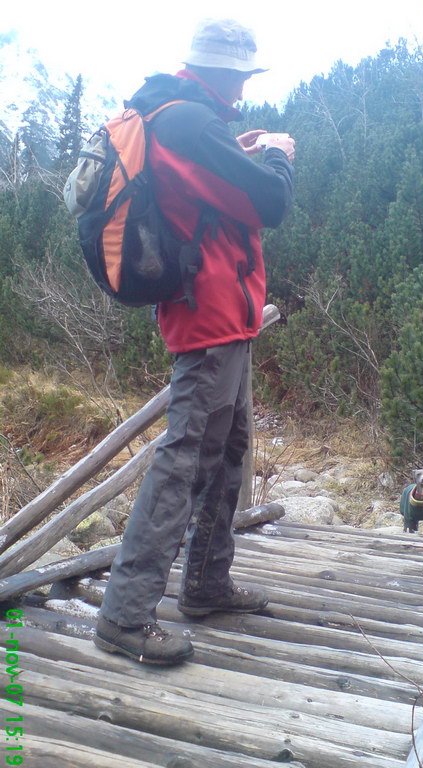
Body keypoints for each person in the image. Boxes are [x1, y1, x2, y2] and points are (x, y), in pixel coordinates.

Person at [94, 18, 295, 665]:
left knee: (229, 452)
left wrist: (234, 148)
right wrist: (278, 157)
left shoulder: (178, 117)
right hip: (206, 320)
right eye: (239, 77)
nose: (241, 89)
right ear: (222, 74)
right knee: (184, 460)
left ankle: (206, 583)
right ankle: (125, 616)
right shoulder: (188, 122)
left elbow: (200, 189)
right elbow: (269, 202)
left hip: (220, 318)